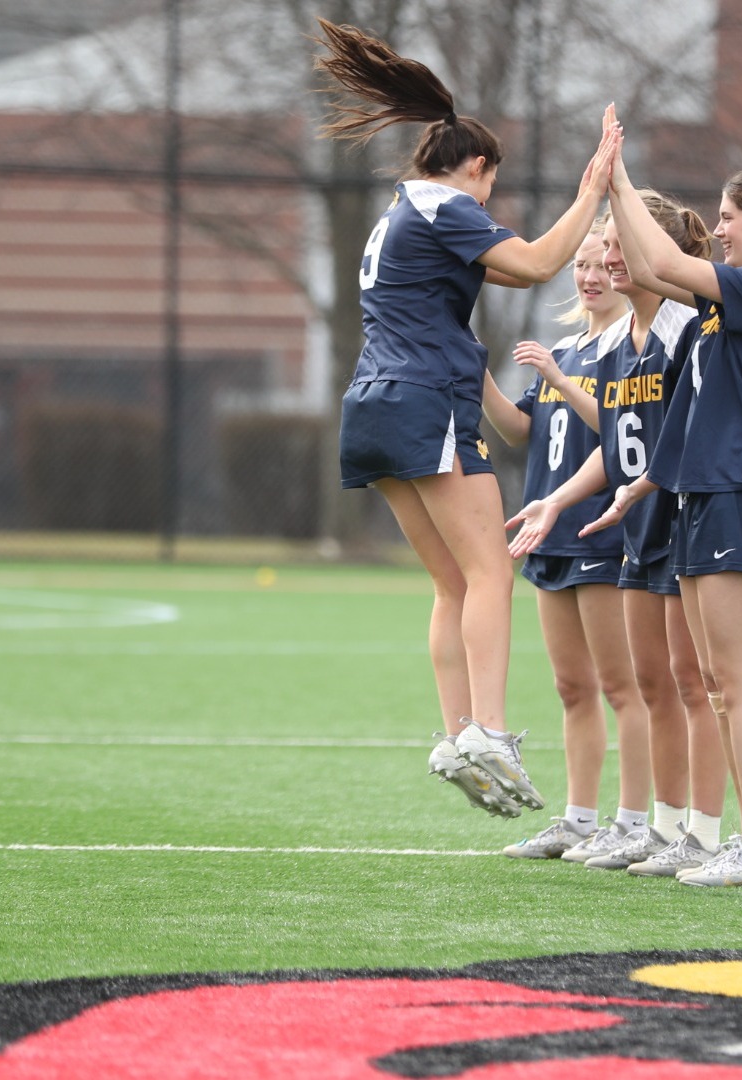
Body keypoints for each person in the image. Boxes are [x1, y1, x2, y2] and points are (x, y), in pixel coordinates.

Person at [312, 20, 619, 816]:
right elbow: (538, 265)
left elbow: (440, 329)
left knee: (451, 583)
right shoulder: (446, 207)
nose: (489, 203)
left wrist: (509, 395)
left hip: (373, 405)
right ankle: (487, 728)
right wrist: (594, 190)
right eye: (492, 184)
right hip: (421, 402)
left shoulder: (394, 217)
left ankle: (457, 737)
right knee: (490, 574)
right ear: (476, 168)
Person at [584, 115, 742, 888]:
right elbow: (654, 271)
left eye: (727, 218)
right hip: (704, 492)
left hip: (741, 490)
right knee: (717, 684)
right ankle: (740, 841)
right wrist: (614, 190)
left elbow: (660, 258)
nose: (718, 230)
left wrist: (617, 176)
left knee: (739, 678)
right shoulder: (740, 295)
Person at [506, 190, 727, 875]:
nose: (605, 264)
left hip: (681, 521)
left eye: (617, 250)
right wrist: (555, 501)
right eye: (599, 255)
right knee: (659, 687)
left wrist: (616, 179)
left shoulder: (682, 327)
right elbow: (623, 442)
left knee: (696, 686)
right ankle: (657, 829)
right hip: (634, 526)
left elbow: (668, 436)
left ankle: (707, 832)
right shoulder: (622, 344)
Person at [480, 227, 649, 858]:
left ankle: (633, 824)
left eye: (603, 263)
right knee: (571, 687)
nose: (590, 275)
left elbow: (615, 425)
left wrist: (555, 372)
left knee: (622, 686)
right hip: (548, 537)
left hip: (599, 531)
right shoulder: (569, 344)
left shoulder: (628, 346)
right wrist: (475, 380)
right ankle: (579, 821)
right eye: (579, 265)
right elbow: (523, 431)